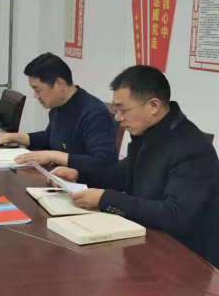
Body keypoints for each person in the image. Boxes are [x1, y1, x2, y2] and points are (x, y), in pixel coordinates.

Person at [51, 65, 219, 267]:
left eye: (123, 110)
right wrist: (79, 175)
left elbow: (175, 215)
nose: (117, 117)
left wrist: (106, 199)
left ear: (153, 105)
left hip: (185, 261)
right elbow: (120, 175)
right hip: (146, 243)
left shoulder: (192, 148)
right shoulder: (149, 133)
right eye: (116, 109)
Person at [0, 53, 117, 170]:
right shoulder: (58, 106)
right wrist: (11, 137)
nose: (35, 96)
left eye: (37, 89)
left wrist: (52, 156)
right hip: (58, 177)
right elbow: (50, 137)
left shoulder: (93, 113)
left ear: (59, 84)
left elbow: (104, 163)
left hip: (85, 186)